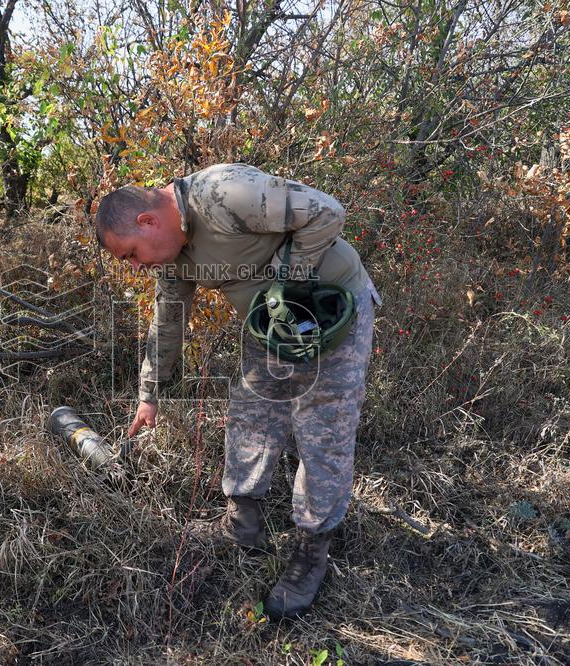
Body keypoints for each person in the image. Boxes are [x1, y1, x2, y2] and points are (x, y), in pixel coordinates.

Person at [95, 163, 382, 619]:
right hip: (269, 327)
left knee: (322, 429)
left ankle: (311, 549)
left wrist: (290, 286)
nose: (137, 266)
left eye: (131, 254)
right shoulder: (173, 257)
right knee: (251, 414)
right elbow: (168, 318)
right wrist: (149, 392)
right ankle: (242, 519)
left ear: (148, 221)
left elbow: (328, 212)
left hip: (331, 312)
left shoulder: (226, 193)